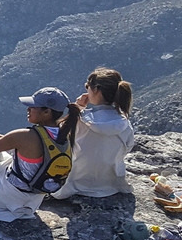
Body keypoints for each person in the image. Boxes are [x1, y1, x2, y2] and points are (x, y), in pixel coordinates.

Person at [0, 87, 80, 221]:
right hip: (32, 201)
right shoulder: (64, 136)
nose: (28, 109)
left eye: (32, 106)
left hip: (2, 196)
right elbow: (18, 146)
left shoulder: (25, 136)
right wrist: (0, 139)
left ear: (47, 112)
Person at [51, 68, 134, 199]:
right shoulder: (124, 123)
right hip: (110, 185)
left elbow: (59, 140)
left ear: (95, 90)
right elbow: (127, 148)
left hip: (77, 183)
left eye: (87, 87)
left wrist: (78, 108)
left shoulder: (82, 119)